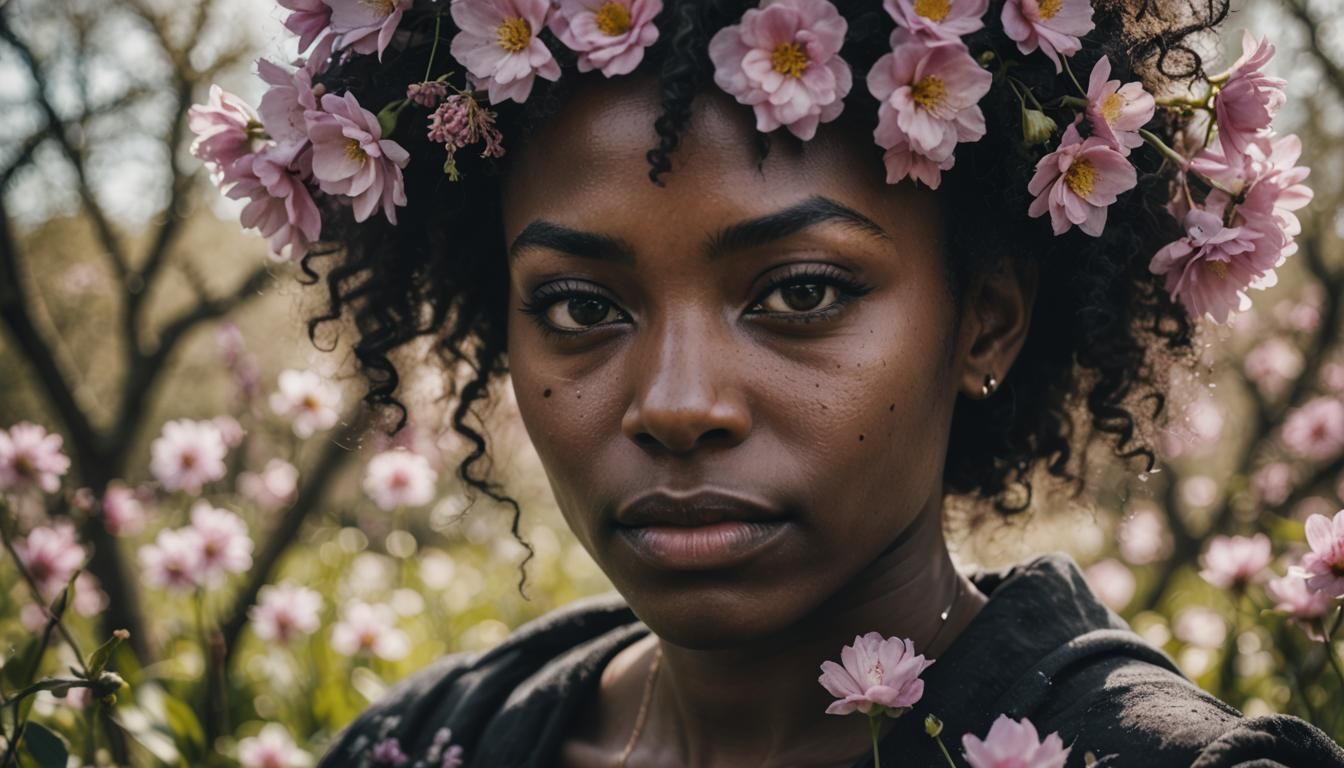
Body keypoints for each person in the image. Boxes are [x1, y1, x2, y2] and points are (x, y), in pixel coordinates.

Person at [190, 0, 1344, 765]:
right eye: (581, 307)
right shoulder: (427, 742)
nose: (680, 405)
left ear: (987, 321)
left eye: (799, 294)